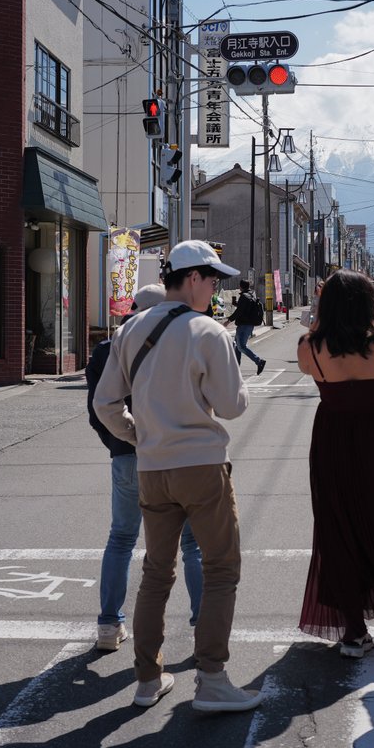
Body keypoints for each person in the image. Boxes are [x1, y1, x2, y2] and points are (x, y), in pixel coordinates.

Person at [93, 240, 260, 713]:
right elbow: (231, 406)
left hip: (151, 468)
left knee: (155, 574)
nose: (216, 288)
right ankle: (211, 679)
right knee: (221, 568)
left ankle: (147, 679)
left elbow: (105, 404)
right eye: (212, 279)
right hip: (202, 466)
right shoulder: (208, 331)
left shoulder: (130, 330)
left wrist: (138, 434)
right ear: (191, 279)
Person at [86, 284, 204, 651]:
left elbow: (98, 410)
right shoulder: (183, 342)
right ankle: (203, 625)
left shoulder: (109, 347)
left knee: (121, 537)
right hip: (175, 453)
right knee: (192, 544)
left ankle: (109, 624)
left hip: (126, 452)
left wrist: (125, 441)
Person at [295, 269, 374, 656]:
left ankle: (354, 631)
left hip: (333, 438)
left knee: (338, 525)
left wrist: (316, 320)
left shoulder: (310, 346)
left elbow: (309, 370)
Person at [227, 279, 267, 374]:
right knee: (237, 346)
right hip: (247, 325)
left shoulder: (244, 296)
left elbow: (239, 311)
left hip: (244, 325)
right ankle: (236, 369)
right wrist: (236, 303)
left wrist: (228, 320)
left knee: (241, 347)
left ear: (241, 286)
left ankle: (259, 361)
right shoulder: (251, 295)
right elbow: (245, 308)